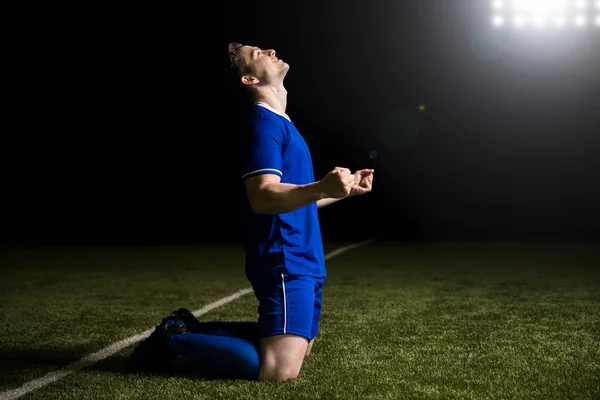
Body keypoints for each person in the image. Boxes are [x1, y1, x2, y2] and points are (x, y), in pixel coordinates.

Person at [127, 42, 374, 382]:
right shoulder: (262, 125)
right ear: (248, 79)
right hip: (285, 259)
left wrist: (341, 192)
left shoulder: (283, 123)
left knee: (302, 348)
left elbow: (296, 199)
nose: (270, 50)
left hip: (305, 259)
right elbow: (263, 197)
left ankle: (193, 327)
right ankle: (175, 339)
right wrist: (322, 186)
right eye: (256, 53)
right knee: (279, 371)